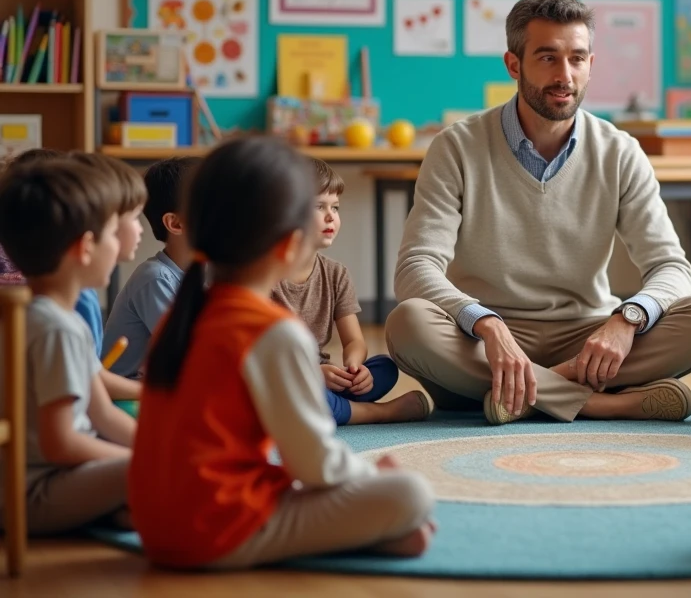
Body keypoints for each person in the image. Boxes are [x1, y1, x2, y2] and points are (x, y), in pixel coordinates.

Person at [387, 0, 691, 424]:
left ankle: (517, 393)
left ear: (591, 64)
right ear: (514, 64)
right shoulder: (456, 146)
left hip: (587, 334)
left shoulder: (621, 151)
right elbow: (415, 267)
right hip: (486, 338)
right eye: (548, 57)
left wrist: (627, 320)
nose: (564, 75)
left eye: (577, 58)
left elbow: (671, 266)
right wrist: (487, 324)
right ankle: (599, 403)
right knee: (408, 324)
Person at [129, 136, 435, 570]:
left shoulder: (181, 318)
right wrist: (378, 476)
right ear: (291, 241)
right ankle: (367, 533)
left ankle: (368, 535)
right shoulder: (272, 332)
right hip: (213, 533)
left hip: (155, 526)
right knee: (412, 493)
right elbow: (316, 466)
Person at [0, 157, 136, 535]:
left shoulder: (53, 317)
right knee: (155, 475)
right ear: (86, 247)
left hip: (57, 478)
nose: (118, 242)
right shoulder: (55, 328)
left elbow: (104, 414)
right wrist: (146, 461)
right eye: (113, 232)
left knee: (165, 472)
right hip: (34, 489)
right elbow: (60, 444)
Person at [271, 157, 425, 425]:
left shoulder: (335, 273)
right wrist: (312, 373)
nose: (331, 216)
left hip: (325, 380)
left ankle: (335, 406)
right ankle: (378, 413)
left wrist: (354, 368)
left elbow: (354, 341)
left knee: (385, 368)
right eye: (319, 206)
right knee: (290, 390)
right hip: (282, 375)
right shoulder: (265, 275)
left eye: (336, 207)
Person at [103, 156, 201, 378]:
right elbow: (191, 356)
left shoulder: (201, 275)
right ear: (175, 223)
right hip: (124, 395)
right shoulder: (156, 279)